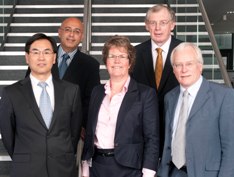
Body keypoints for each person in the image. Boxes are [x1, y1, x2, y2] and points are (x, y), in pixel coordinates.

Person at [0, 33, 82, 177]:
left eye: (46, 52)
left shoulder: (71, 90)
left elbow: (73, 132)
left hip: (62, 168)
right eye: (35, 52)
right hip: (26, 169)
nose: (41, 57)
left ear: (54, 58)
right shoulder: (11, 93)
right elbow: (8, 134)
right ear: (27, 57)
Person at [81, 35, 160, 177]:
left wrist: (148, 173)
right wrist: (85, 166)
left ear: (130, 63)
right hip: (97, 166)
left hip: (129, 169)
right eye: (112, 56)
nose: (117, 61)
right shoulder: (97, 92)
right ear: (106, 61)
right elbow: (89, 134)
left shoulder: (145, 94)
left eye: (122, 56)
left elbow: (152, 138)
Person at [158, 42, 234, 177]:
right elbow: (169, 140)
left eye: (189, 64)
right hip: (173, 172)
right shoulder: (170, 97)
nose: (183, 69)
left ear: (200, 66)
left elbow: (231, 148)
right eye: (178, 65)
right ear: (173, 69)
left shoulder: (224, 96)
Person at [26, 17, 100, 129]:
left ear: (82, 36)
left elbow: (90, 100)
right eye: (68, 30)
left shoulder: (90, 65)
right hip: (38, 124)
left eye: (77, 31)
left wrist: (82, 125)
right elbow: (27, 89)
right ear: (59, 32)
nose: (71, 35)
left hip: (70, 128)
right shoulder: (43, 56)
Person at [131, 4, 182, 156]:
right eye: (153, 23)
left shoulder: (186, 50)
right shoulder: (135, 53)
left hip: (177, 128)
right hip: (143, 131)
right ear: (147, 26)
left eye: (163, 22)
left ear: (172, 25)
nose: (157, 28)